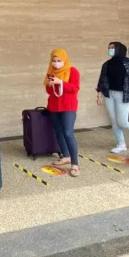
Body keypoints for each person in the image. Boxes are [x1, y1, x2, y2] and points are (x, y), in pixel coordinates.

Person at [45, 48, 81, 177]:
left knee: (68, 133)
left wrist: (61, 82)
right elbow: (49, 91)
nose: (56, 63)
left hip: (68, 106)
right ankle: (66, 156)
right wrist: (50, 85)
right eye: (54, 61)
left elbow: (75, 88)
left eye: (59, 60)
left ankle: (75, 164)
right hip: (54, 106)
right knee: (58, 131)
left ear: (65, 60)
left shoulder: (73, 71)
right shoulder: (51, 72)